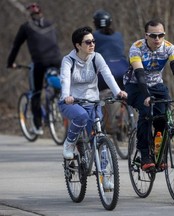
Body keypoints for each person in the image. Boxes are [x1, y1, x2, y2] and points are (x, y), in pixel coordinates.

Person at [123, 18, 174, 171]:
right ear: (146, 35)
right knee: (147, 112)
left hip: (156, 85)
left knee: (163, 119)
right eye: (153, 36)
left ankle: (158, 153)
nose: (157, 39)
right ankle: (144, 155)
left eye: (161, 35)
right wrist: (146, 95)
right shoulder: (136, 48)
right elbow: (140, 74)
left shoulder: (169, 47)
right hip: (135, 85)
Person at [58, 26, 127, 161]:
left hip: (92, 102)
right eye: (88, 42)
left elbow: (108, 75)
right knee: (81, 116)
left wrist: (118, 92)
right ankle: (69, 143)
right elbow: (65, 79)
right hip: (72, 102)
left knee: (98, 136)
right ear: (78, 45)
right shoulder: (68, 60)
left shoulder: (97, 57)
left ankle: (105, 175)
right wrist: (66, 96)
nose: (92, 44)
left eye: (93, 41)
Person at [7, 2, 62, 135]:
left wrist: (10, 63)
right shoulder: (50, 24)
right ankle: (56, 102)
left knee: (36, 92)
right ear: (41, 12)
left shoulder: (26, 27)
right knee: (59, 85)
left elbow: (16, 46)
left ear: (30, 15)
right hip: (57, 60)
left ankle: (38, 126)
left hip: (39, 62)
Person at [92, 9, 128, 91]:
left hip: (105, 71)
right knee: (127, 98)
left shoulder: (93, 36)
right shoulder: (118, 35)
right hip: (124, 69)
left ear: (95, 23)